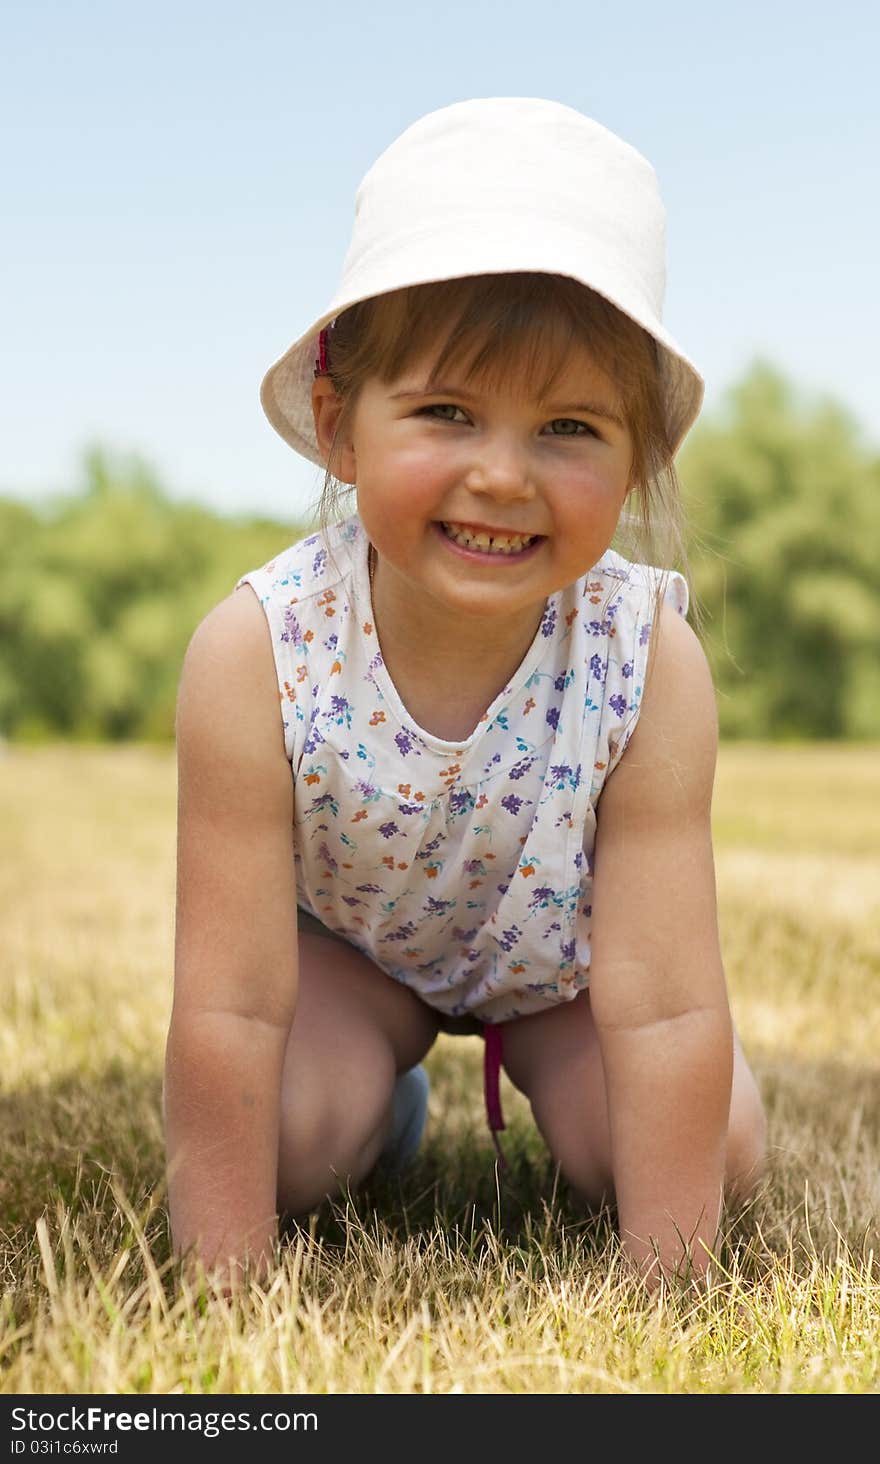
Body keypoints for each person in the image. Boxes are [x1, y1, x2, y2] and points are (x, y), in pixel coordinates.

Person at [164, 97, 767, 1291]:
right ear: (340, 426)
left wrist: (673, 1296)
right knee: (284, 1135)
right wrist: (217, 1294)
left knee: (717, 1148)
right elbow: (228, 1005)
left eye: (569, 426)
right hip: (357, 961)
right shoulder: (258, 648)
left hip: (567, 980)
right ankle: (384, 1108)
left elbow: (662, 1010)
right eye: (447, 411)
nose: (501, 474)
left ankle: (549, 1099)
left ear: (635, 458)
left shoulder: (646, 660)